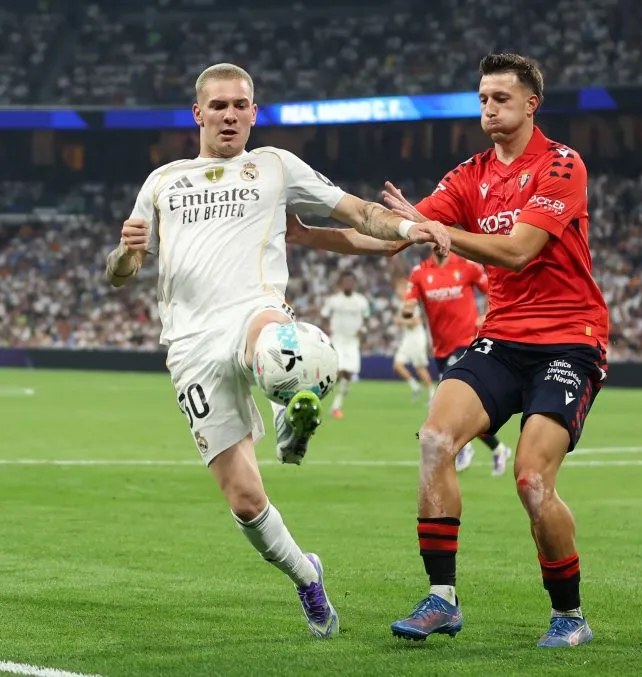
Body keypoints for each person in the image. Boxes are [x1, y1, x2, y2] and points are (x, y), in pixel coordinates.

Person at [104, 62, 451, 639]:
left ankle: (292, 411)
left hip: (255, 310)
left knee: (283, 341)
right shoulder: (163, 182)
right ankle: (306, 576)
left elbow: (356, 211)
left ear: (254, 112)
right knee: (245, 500)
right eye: (219, 106)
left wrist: (408, 228)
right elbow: (121, 272)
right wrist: (124, 252)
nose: (230, 115)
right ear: (198, 113)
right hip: (190, 344)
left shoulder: (274, 166)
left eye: (240, 105)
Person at [381, 53, 609, 648]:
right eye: (482, 99)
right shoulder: (469, 175)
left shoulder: (562, 164)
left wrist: (440, 233)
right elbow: (395, 231)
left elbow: (518, 250)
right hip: (502, 338)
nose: (488, 108)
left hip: (569, 340)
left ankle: (569, 615)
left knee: (531, 480)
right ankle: (442, 598)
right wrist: (308, 230)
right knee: (435, 439)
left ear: (531, 104)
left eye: (500, 98)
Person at [402, 250, 513, 475]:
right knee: (466, 409)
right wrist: (408, 309)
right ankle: (499, 449)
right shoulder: (419, 273)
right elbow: (408, 305)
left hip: (466, 343)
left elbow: (495, 290)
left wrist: (487, 315)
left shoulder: (467, 266)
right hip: (440, 348)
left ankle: (463, 448)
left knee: (447, 402)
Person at [320, 271, 371, 419]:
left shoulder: (361, 301)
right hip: (338, 340)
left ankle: (336, 405)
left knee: (348, 373)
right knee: (338, 371)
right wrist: (326, 330)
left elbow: (366, 319)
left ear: (354, 284)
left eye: (350, 281)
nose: (348, 284)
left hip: (352, 341)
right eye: (345, 281)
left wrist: (363, 331)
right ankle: (318, 397)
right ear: (341, 284)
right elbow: (324, 316)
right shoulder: (334, 301)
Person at [391, 279, 436, 405]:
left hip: (416, 339)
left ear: (405, 290)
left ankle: (432, 393)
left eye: (399, 289)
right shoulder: (402, 305)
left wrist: (401, 321)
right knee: (397, 365)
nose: (397, 292)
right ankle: (416, 387)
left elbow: (416, 322)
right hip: (407, 338)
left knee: (420, 367)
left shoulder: (411, 303)